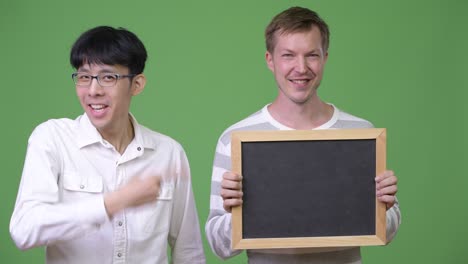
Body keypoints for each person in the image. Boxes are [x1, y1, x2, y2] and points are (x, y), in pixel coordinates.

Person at [205, 6, 401, 264]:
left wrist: (383, 206)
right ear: (270, 60)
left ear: (325, 58)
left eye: (312, 55)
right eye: (288, 55)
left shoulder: (361, 134)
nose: (301, 68)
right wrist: (237, 215)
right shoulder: (236, 138)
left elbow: (386, 232)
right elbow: (220, 247)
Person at [10, 26, 205, 264]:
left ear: (137, 84)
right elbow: (24, 231)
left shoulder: (169, 152)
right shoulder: (52, 138)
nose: (93, 90)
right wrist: (114, 202)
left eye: (108, 77)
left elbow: (189, 252)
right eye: (84, 77)